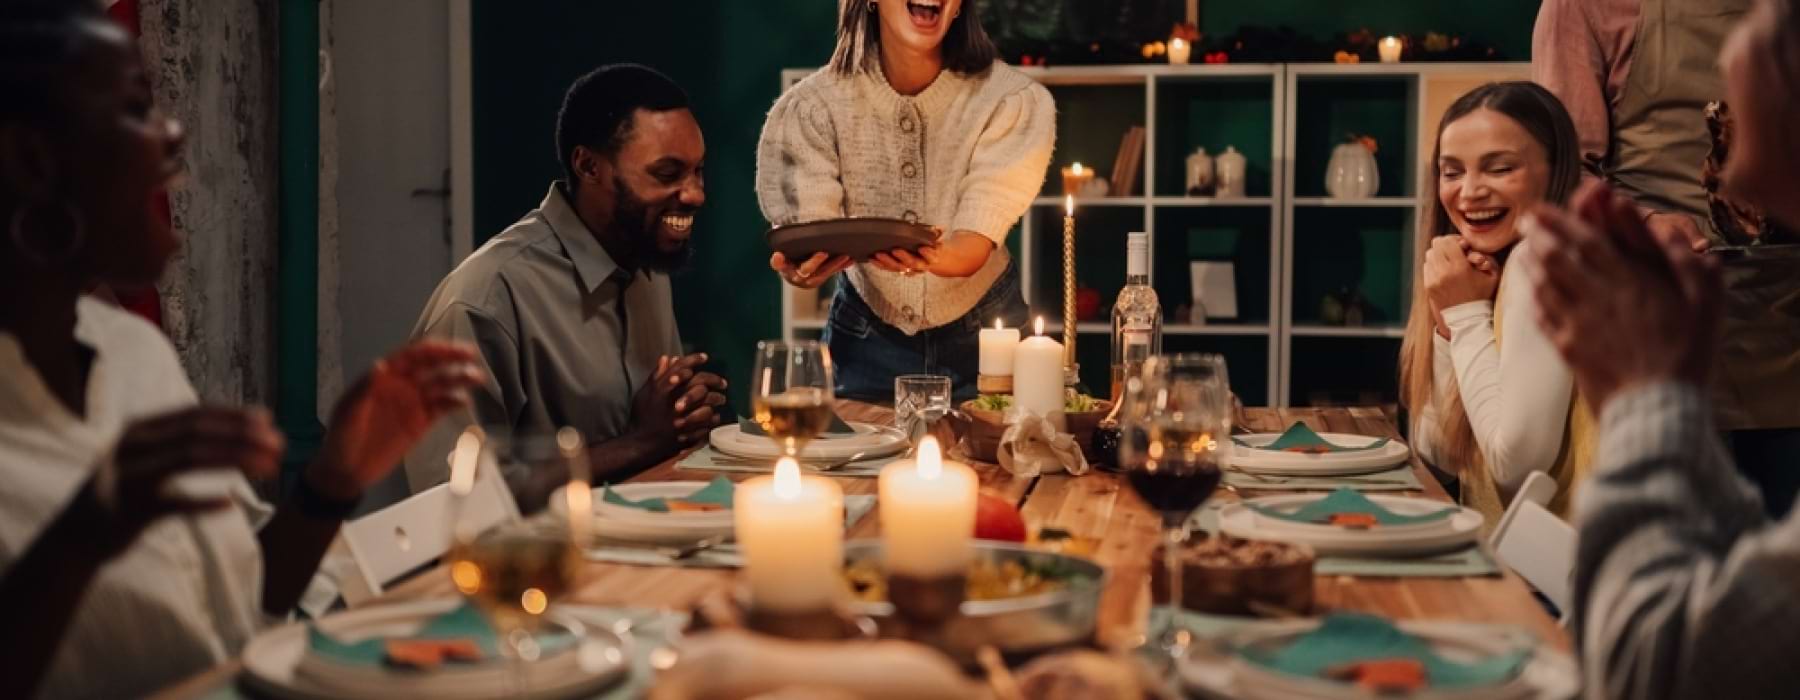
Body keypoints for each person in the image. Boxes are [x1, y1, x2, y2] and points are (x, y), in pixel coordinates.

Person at [0, 3, 486, 697]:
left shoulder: (132, 352)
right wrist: (83, 536)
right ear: (30, 158)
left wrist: (332, 481)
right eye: (137, 109)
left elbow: (241, 600)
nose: (174, 136)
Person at [1528, 1, 1800, 695]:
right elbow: (1561, 165)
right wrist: (1647, 226)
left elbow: (1663, 657)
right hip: (1663, 316)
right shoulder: (1586, 6)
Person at [404, 64, 726, 512]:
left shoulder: (645, 261)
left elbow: (658, 444)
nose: (694, 195)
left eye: (698, 172)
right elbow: (448, 503)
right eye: (667, 173)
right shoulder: (484, 298)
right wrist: (640, 442)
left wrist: (681, 412)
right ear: (589, 166)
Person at [756, 0, 1055, 402]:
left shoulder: (1010, 100)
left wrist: (930, 255)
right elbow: (814, 233)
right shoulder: (811, 109)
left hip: (989, 342)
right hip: (863, 343)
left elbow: (973, 242)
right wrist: (805, 266)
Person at [1398, 82, 1590, 523]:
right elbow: (1443, 455)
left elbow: (1518, 472)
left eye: (1499, 169)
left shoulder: (1543, 257)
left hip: (1569, 584)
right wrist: (1451, 326)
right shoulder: (1492, 265)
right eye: (1451, 172)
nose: (1468, 193)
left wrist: (1465, 318)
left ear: (1556, 170)